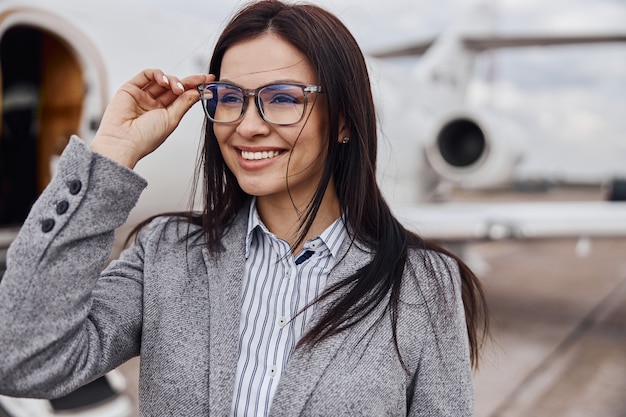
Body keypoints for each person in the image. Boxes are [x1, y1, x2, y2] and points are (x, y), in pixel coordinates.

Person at [0, 0, 488, 415]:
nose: (248, 126)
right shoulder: (165, 254)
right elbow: (21, 358)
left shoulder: (426, 286)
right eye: (229, 98)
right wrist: (109, 156)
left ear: (342, 121)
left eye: (282, 99)